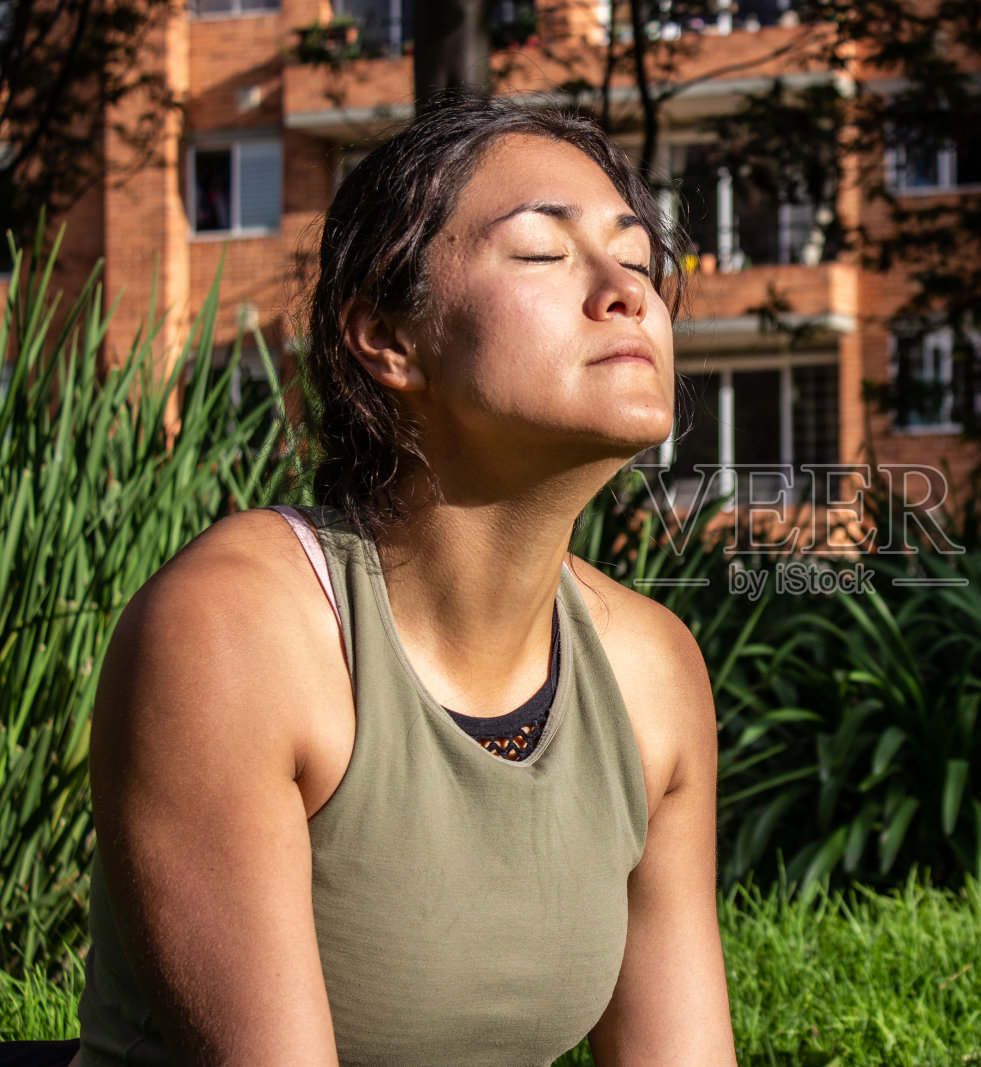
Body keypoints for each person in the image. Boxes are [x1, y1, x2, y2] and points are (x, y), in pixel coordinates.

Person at [54, 97, 737, 1066]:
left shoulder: (650, 672)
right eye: (545, 252)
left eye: (638, 258)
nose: (625, 290)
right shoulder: (244, 629)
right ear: (387, 336)